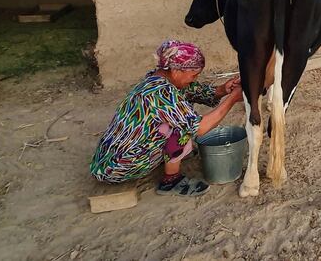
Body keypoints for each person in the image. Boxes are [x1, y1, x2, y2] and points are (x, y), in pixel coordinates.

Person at [90, 40, 243, 197]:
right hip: (118, 168)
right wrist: (231, 99)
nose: (194, 79)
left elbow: (198, 92)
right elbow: (199, 127)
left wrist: (223, 89)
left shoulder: (160, 78)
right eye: (194, 75)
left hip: (109, 160)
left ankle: (170, 156)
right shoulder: (160, 92)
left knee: (180, 119)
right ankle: (171, 182)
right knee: (181, 130)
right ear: (176, 71)